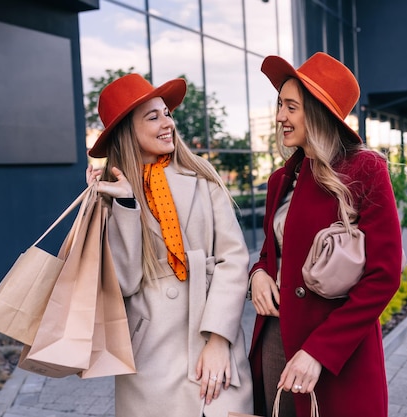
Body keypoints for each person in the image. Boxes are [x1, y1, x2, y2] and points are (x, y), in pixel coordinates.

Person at [86, 73, 253, 417]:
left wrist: (220, 339)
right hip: (151, 360)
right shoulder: (109, 198)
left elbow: (233, 259)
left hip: (214, 343)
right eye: (153, 116)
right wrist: (125, 205)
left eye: (167, 114)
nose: (168, 124)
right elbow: (124, 282)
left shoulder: (202, 178)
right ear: (126, 131)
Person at [248, 52, 403, 416]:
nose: (279, 116)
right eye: (279, 105)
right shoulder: (280, 180)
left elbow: (384, 276)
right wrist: (256, 274)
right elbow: (271, 255)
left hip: (337, 350)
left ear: (317, 112)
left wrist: (320, 350)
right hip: (276, 338)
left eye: (290, 106)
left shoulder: (364, 169)